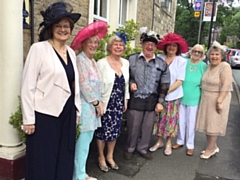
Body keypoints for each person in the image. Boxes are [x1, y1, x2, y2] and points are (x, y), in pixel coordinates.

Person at [21, 2, 81, 180]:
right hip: (45, 115)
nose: (63, 29)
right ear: (51, 28)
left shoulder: (71, 52)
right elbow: (27, 86)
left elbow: (73, 84)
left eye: (66, 26)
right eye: (59, 26)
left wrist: (77, 109)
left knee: (64, 158)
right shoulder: (38, 49)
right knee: (44, 159)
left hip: (67, 114)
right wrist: (28, 120)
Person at [124, 28, 170, 160]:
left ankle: (142, 148)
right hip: (136, 99)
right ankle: (130, 148)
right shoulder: (131, 59)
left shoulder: (162, 64)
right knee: (133, 126)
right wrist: (131, 82)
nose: (149, 47)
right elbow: (124, 76)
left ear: (156, 47)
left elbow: (165, 84)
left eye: (153, 44)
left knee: (147, 128)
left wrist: (161, 102)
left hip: (152, 100)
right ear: (142, 45)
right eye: (147, 44)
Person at [70, 21, 108, 180]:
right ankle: (78, 176)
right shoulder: (80, 60)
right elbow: (83, 84)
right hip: (85, 109)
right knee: (82, 145)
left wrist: (99, 103)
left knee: (85, 144)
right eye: (90, 42)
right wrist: (96, 102)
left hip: (92, 111)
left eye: (96, 42)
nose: (93, 45)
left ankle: (80, 173)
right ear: (83, 43)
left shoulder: (92, 61)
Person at [95, 32, 130, 171]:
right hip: (105, 102)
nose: (118, 47)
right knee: (102, 131)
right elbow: (96, 84)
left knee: (115, 131)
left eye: (121, 45)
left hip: (118, 103)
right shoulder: (101, 63)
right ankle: (100, 157)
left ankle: (110, 156)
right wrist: (98, 103)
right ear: (110, 47)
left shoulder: (125, 63)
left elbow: (125, 84)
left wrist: (125, 100)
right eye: (115, 44)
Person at [150, 33, 188, 156]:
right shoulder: (159, 58)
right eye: (169, 45)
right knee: (159, 119)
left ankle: (168, 143)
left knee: (171, 120)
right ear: (165, 46)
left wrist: (166, 91)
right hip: (159, 95)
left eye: (174, 46)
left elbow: (179, 81)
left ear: (178, 48)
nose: (171, 48)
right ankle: (159, 141)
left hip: (173, 95)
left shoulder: (181, 61)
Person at [196, 41, 232, 159]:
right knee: (208, 124)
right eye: (212, 54)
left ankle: (210, 149)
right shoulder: (209, 66)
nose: (214, 57)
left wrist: (219, 101)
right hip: (206, 98)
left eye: (217, 54)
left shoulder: (225, 66)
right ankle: (213, 146)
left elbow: (226, 85)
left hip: (218, 98)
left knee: (214, 125)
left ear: (222, 56)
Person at [172, 44, 207, 156]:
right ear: (191, 52)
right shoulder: (184, 62)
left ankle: (190, 145)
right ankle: (180, 141)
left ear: (202, 55)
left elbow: (205, 82)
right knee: (181, 120)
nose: (196, 53)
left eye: (199, 52)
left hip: (195, 96)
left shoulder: (203, 66)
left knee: (191, 122)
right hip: (182, 95)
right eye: (195, 51)